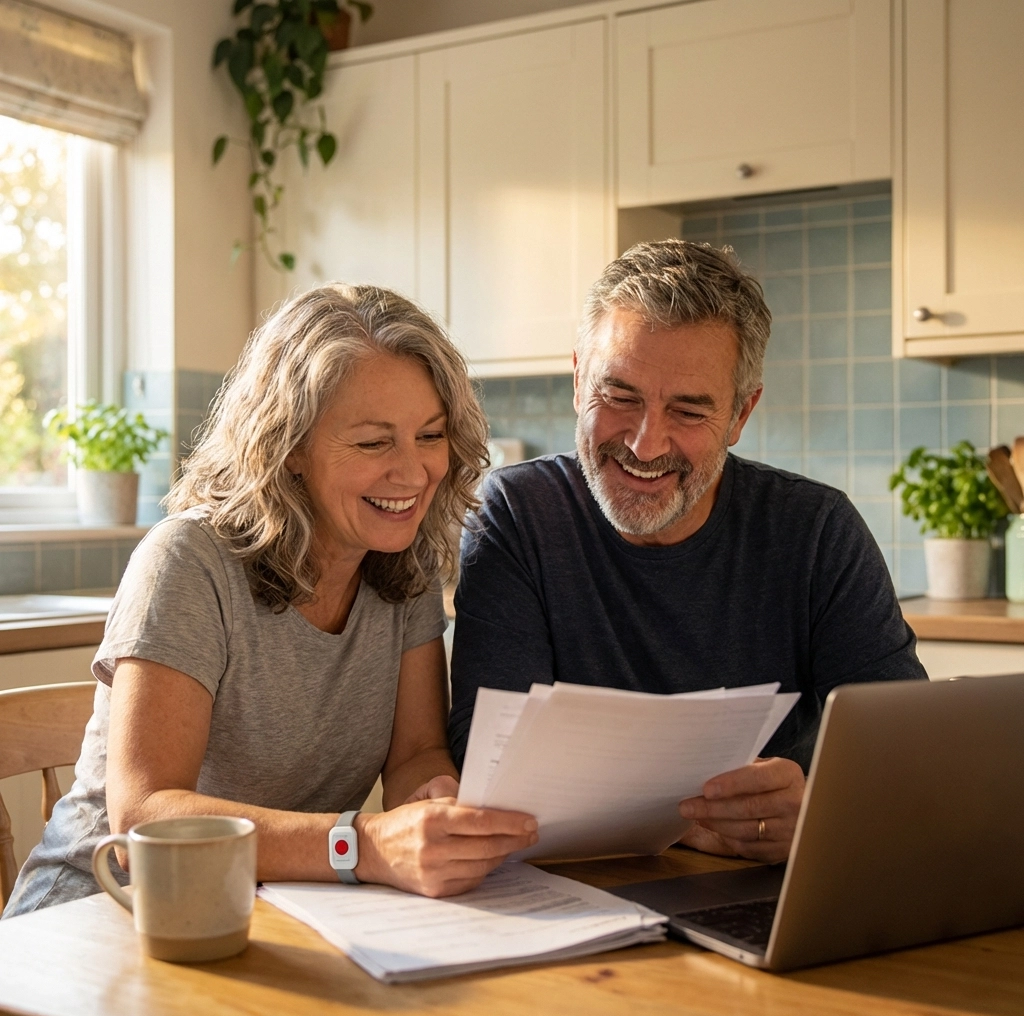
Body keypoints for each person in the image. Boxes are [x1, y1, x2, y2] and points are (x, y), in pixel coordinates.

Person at [4, 284, 537, 918]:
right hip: (96, 917)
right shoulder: (188, 562)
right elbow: (144, 814)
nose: (415, 471)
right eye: (373, 442)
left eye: (431, 435)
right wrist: (361, 844)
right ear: (287, 450)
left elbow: (416, 752)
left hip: (261, 914)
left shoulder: (405, 567)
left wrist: (435, 799)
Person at [448, 240, 927, 865]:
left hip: (764, 892)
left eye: (690, 409)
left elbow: (908, 758)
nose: (646, 445)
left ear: (740, 414)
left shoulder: (816, 532)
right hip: (574, 889)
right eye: (618, 396)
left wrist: (824, 812)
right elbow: (487, 761)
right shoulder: (516, 515)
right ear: (577, 381)